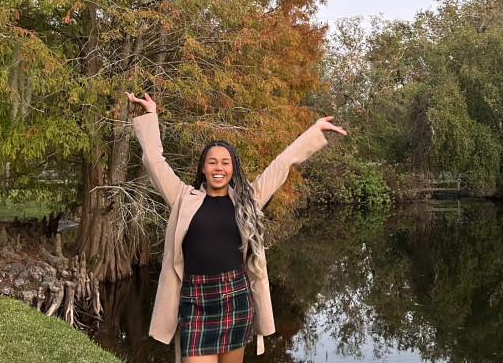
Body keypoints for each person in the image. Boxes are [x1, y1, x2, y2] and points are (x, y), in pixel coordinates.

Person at [125, 92, 346, 363]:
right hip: (195, 300)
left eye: (225, 162)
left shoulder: (247, 200)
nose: (219, 168)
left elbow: (281, 164)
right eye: (212, 162)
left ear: (233, 168)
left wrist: (314, 131)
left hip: (236, 298)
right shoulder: (182, 198)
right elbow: (153, 161)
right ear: (203, 168)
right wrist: (151, 115)